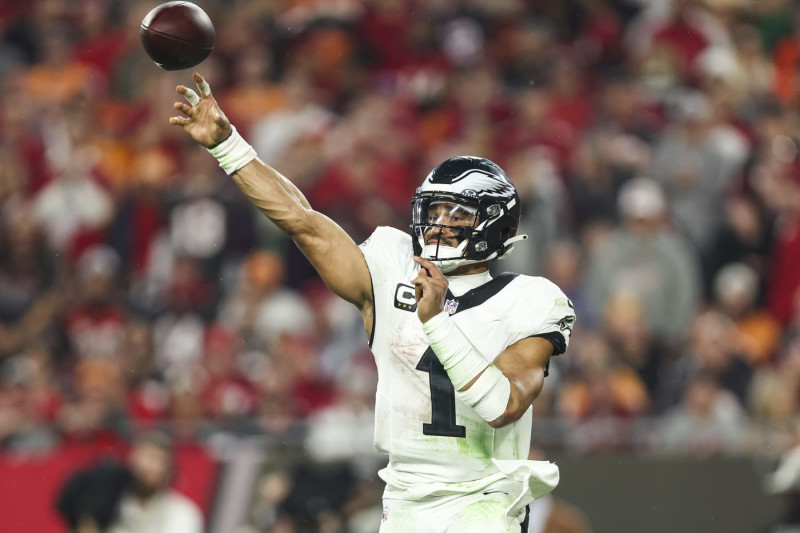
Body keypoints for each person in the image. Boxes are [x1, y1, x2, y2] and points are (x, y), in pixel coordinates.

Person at [169, 73, 576, 533]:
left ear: (495, 226)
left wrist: (437, 322)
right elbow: (305, 223)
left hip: (482, 504)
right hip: (402, 499)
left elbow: (503, 404)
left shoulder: (533, 299)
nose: (439, 225)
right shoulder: (393, 263)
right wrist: (229, 148)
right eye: (434, 211)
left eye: (457, 214)